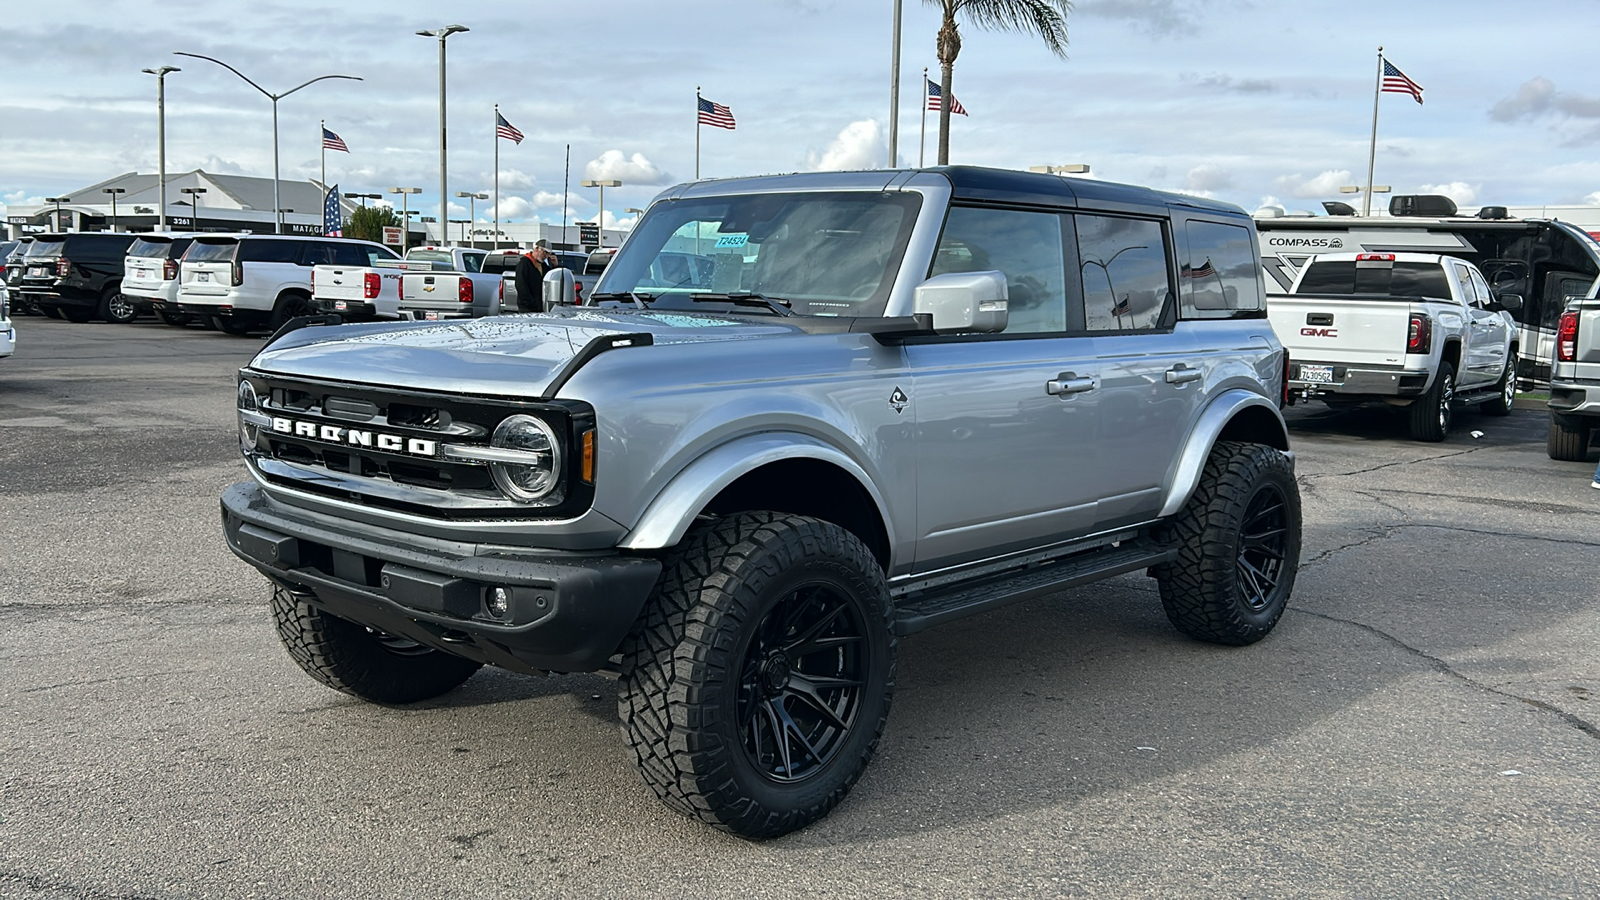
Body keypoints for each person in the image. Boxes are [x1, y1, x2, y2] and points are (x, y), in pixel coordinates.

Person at [514, 240, 553, 312]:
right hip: (527, 309)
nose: (546, 256)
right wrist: (531, 303)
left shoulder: (544, 266)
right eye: (545, 252)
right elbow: (521, 286)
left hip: (540, 307)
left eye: (548, 254)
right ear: (536, 249)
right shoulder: (524, 264)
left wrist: (555, 265)